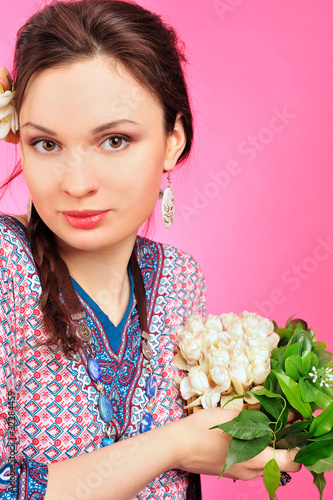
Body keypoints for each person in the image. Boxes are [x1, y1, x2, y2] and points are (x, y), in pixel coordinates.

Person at [0, 1, 301, 498]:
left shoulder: (179, 280)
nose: (76, 184)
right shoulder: (8, 269)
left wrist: (259, 436)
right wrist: (175, 445)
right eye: (46, 144)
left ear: (172, 141)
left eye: (114, 140)